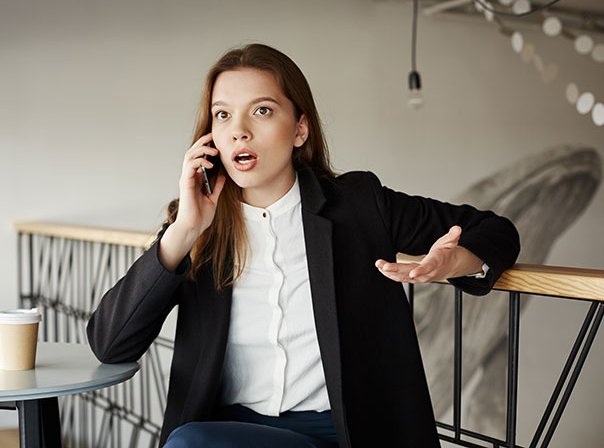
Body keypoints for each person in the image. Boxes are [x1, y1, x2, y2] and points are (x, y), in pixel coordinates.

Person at [87, 43, 520, 448]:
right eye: (222, 115)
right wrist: (182, 233)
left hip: (343, 433)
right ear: (209, 140)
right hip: (229, 433)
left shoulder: (359, 205)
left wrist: (455, 263)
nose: (238, 131)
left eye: (261, 110)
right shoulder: (197, 227)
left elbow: (493, 229)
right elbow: (110, 344)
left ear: (299, 129)